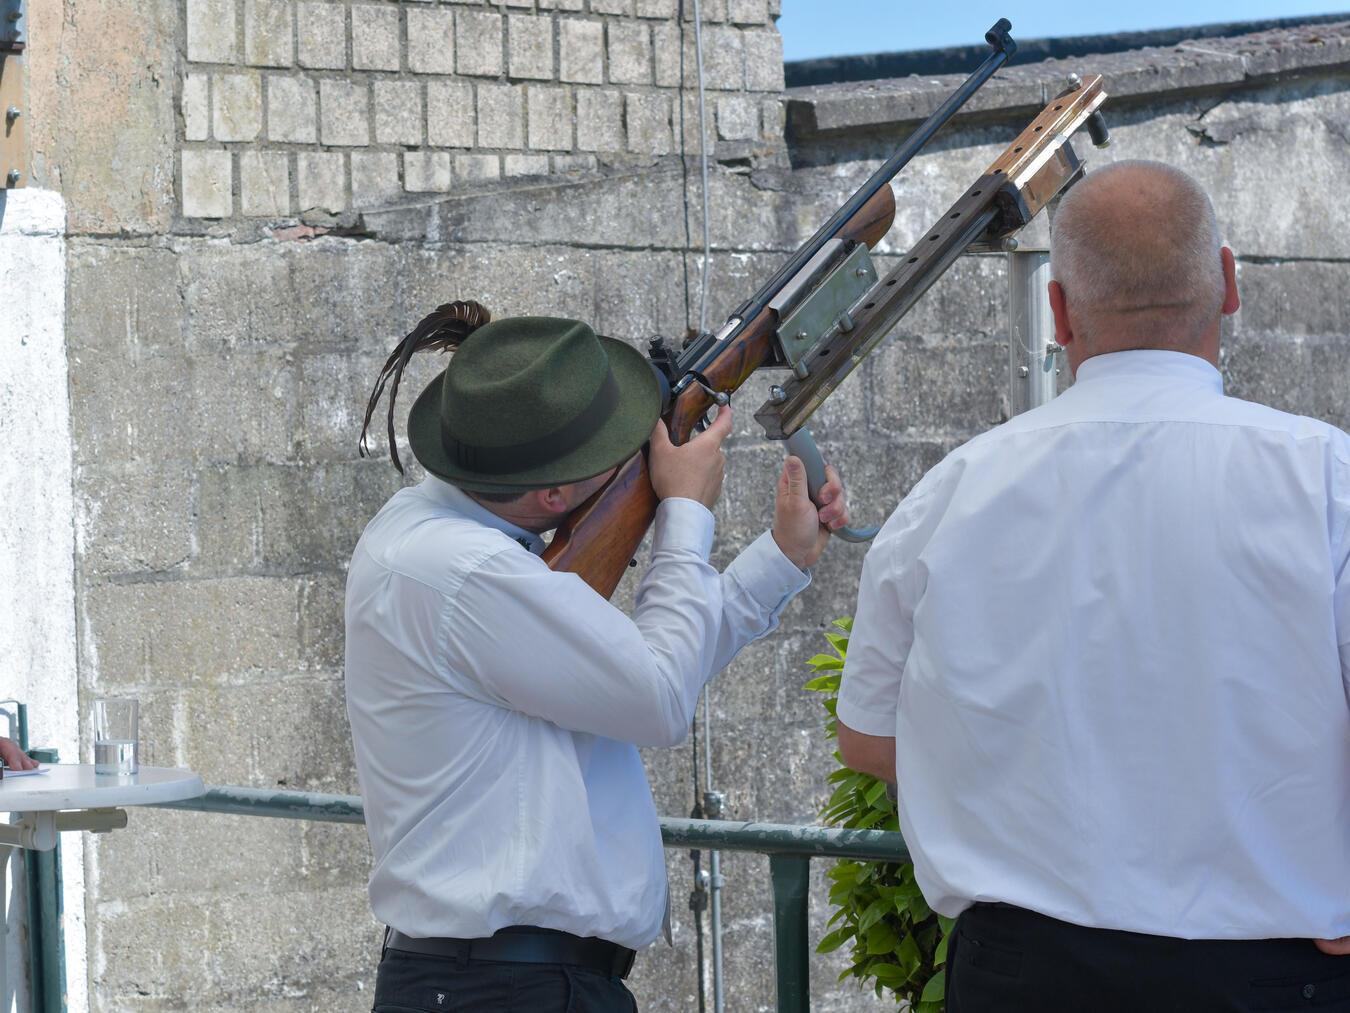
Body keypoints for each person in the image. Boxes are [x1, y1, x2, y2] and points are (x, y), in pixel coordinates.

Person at [834, 160, 1350, 1010]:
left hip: (1021, 975)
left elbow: (866, 739)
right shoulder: (1324, 477)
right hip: (1271, 970)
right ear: (1227, 282)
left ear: (1061, 310)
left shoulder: (948, 494)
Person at [345, 308, 849, 1011]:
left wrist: (781, 558)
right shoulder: (467, 571)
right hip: (507, 989)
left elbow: (634, 671)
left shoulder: (427, 532)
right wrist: (683, 514)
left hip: (504, 983)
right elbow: (658, 696)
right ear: (552, 495)